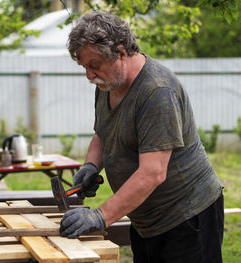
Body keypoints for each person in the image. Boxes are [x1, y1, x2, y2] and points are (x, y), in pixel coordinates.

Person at [59, 11, 224, 263]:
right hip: (145, 216)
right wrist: (92, 165)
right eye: (85, 67)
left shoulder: (157, 91)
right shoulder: (108, 83)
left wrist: (100, 216)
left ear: (121, 52)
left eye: (94, 65)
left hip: (187, 216)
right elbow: (103, 133)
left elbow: (153, 172)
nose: (89, 76)